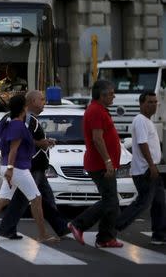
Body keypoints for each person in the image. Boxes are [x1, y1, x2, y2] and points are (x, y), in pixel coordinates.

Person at [0, 95, 56, 243]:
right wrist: (11, 170)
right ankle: (43, 235)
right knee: (36, 198)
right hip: (17, 168)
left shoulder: (13, 123)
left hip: (11, 167)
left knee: (2, 200)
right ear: (24, 107)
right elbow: (14, 149)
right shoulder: (18, 125)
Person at [0, 90, 69, 239]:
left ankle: (62, 228)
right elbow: (21, 141)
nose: (44, 102)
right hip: (32, 165)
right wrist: (42, 143)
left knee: (46, 198)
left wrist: (43, 142)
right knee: (26, 199)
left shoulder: (29, 119)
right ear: (31, 102)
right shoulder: (27, 120)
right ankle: (7, 228)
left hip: (37, 166)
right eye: (41, 100)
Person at [67, 80, 123, 248]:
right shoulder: (96, 111)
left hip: (103, 164)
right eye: (112, 93)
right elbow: (97, 139)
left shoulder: (100, 110)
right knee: (110, 201)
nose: (114, 96)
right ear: (102, 95)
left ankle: (105, 238)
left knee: (111, 202)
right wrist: (107, 161)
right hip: (100, 164)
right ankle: (78, 224)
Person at [115, 91, 166, 245]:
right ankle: (113, 228)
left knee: (159, 202)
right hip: (145, 171)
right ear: (141, 104)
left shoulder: (147, 121)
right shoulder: (140, 120)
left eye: (155, 102)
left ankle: (159, 234)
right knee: (142, 204)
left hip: (152, 169)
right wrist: (151, 165)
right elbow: (143, 144)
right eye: (149, 102)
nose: (153, 105)